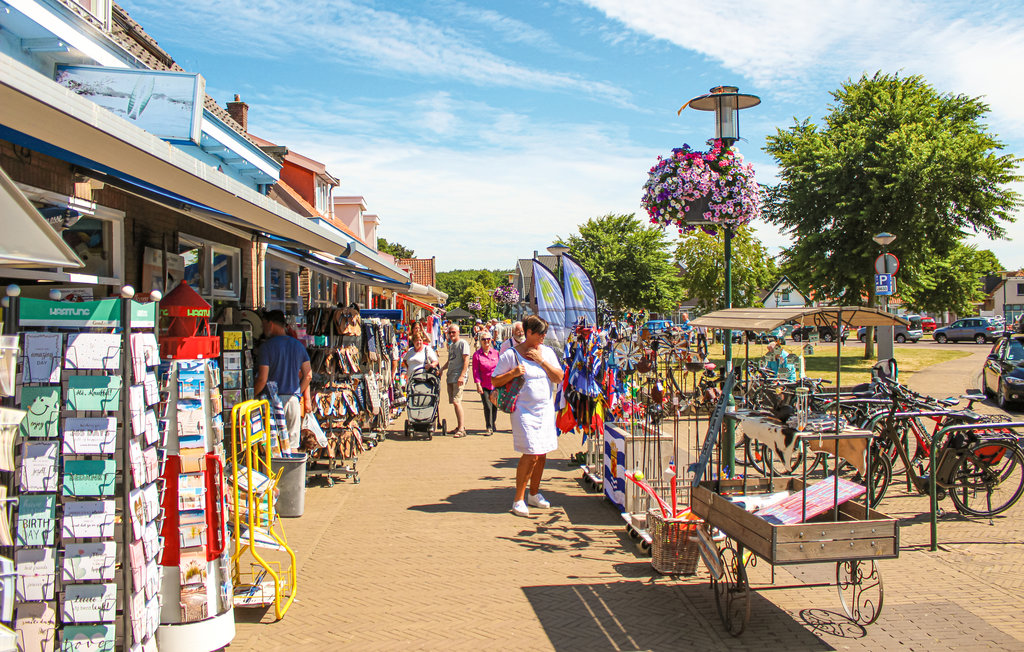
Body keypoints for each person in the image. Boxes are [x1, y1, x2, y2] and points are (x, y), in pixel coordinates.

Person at [491, 315, 564, 517]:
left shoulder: (547, 352)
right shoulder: (511, 355)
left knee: (542, 453)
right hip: (524, 411)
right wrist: (513, 372)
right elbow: (495, 380)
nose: (543, 336)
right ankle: (518, 498)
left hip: (545, 409)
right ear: (529, 332)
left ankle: (534, 493)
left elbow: (559, 377)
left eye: (545, 333)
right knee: (531, 452)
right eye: (540, 333)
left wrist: (542, 362)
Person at [254, 310, 312, 452]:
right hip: (292, 401)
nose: (263, 329)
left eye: (264, 325)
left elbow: (262, 378)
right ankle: (293, 473)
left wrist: (252, 395)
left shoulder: (266, 347)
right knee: (292, 445)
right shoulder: (298, 345)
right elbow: (308, 375)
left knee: (273, 446)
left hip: (271, 403)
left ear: (271, 324)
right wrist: (297, 394)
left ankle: (274, 474)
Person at [440, 323, 470, 437]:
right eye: (450, 332)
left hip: (458, 376)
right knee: (454, 402)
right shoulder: (452, 345)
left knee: (457, 402)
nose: (451, 334)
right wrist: (442, 369)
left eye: (454, 332)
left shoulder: (462, 343)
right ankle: (459, 425)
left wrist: (462, 376)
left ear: (458, 332)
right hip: (451, 376)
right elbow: (450, 361)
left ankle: (461, 429)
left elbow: (466, 360)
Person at [472, 331, 500, 435]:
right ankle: (489, 427)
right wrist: (478, 384)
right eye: (483, 339)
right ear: (480, 341)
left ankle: (492, 423)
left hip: (496, 384)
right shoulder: (477, 355)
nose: (486, 341)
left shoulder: (496, 353)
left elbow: (501, 368)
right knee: (487, 406)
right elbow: (476, 371)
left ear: (491, 340)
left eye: (488, 339)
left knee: (494, 406)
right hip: (484, 384)